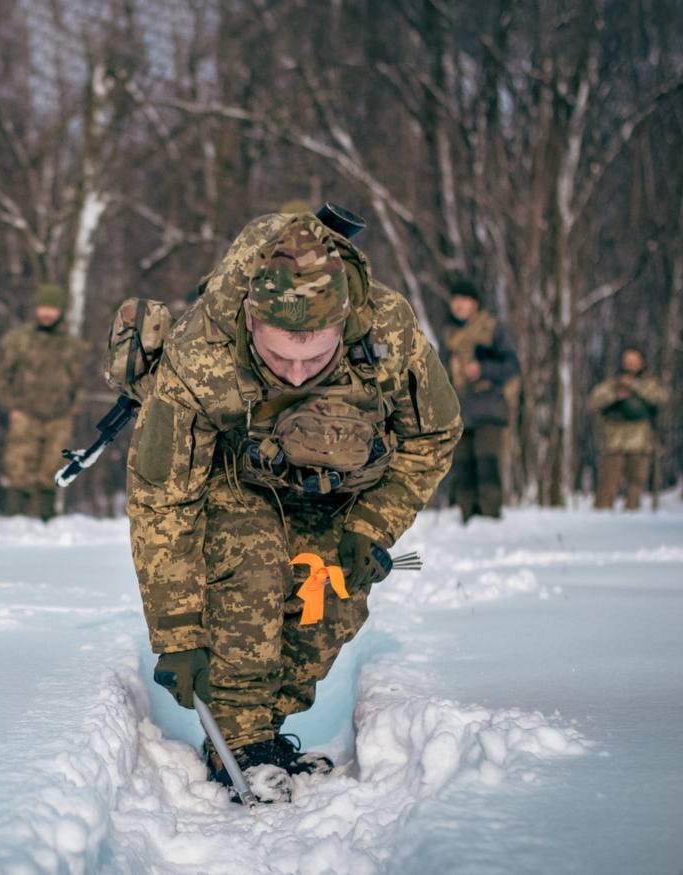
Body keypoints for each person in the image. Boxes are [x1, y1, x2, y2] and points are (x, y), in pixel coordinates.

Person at [126, 211, 461, 802]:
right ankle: (242, 742)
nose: (300, 374)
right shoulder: (200, 353)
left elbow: (434, 434)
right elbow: (163, 498)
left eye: (317, 359)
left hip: (343, 492)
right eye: (282, 360)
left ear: (343, 324)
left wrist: (371, 525)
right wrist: (177, 633)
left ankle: (262, 724)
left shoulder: (387, 330)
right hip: (239, 483)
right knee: (250, 577)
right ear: (252, 321)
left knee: (326, 606)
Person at [0, 283, 87, 519]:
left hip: (59, 415)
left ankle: (46, 523)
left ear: (60, 311)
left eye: (52, 308)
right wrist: (11, 406)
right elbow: (3, 375)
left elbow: (80, 381)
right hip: (25, 412)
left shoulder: (71, 345)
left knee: (51, 469)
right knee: (19, 468)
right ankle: (15, 520)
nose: (47, 313)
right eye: (43, 307)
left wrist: (72, 410)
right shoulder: (19, 340)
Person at [441, 279, 520, 522]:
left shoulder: (492, 328)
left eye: (464, 300)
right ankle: (466, 517)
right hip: (459, 408)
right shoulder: (449, 334)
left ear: (474, 303)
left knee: (487, 465)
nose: (459, 305)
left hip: (488, 407)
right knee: (462, 467)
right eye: (455, 300)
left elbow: (512, 365)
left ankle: (489, 518)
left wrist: (483, 369)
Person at [589, 348, 668, 510]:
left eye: (634, 361)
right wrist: (615, 395)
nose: (630, 365)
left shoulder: (649, 383)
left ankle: (632, 520)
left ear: (641, 363)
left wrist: (634, 386)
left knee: (636, 485)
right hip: (614, 441)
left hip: (640, 441)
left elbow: (660, 398)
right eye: (627, 361)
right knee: (607, 485)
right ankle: (600, 521)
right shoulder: (612, 382)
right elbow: (594, 399)